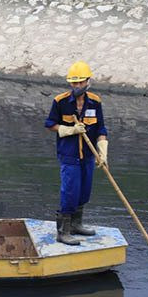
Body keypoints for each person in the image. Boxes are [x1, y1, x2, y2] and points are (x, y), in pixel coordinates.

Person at [44, 61, 108, 245]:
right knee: (70, 192)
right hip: (69, 155)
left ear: (88, 81)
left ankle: (76, 224)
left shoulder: (95, 102)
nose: (77, 86)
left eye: (81, 82)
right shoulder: (60, 101)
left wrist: (103, 153)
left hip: (88, 155)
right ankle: (63, 232)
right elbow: (50, 125)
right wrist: (69, 130)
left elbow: (102, 129)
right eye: (74, 83)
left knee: (84, 191)